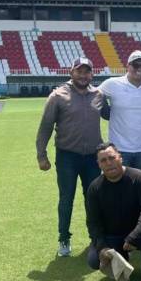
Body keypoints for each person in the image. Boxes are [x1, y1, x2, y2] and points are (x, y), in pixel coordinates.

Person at [36, 57, 106, 257]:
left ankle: (95, 238)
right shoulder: (58, 96)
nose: (83, 75)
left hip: (93, 157)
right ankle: (64, 238)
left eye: (87, 72)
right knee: (66, 198)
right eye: (79, 71)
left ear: (92, 74)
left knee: (92, 199)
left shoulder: (99, 94)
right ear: (71, 72)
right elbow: (45, 127)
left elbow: (111, 115)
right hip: (67, 156)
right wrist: (41, 155)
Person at [85, 142, 141, 281]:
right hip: (112, 235)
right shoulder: (94, 188)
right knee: (94, 260)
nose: (108, 163)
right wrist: (102, 247)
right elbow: (93, 222)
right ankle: (122, 258)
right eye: (103, 160)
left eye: (111, 158)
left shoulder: (138, 177)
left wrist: (133, 236)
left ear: (120, 157)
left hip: (138, 232)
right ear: (99, 165)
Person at [98, 50, 141, 176]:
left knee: (140, 188)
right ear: (128, 66)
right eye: (135, 65)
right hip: (119, 149)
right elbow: (91, 94)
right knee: (117, 187)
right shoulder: (112, 83)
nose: (139, 69)